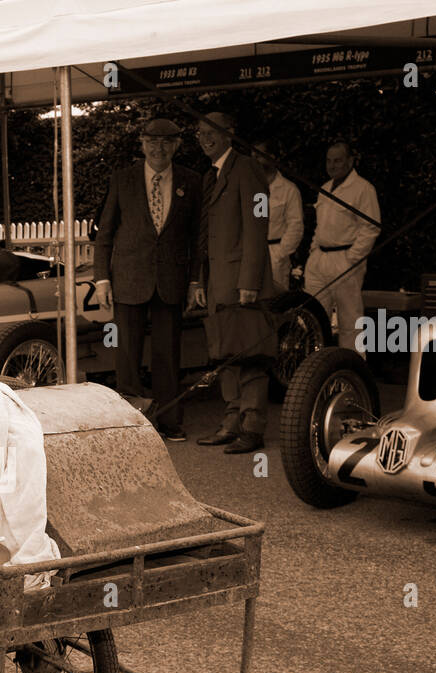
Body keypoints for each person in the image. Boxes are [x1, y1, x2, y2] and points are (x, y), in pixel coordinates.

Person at [92, 117, 202, 442]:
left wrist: (196, 281)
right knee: (126, 354)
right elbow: (105, 233)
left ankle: (168, 422)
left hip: (171, 281)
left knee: (167, 355)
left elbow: (196, 238)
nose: (159, 148)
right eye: (152, 141)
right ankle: (131, 425)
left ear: (177, 145)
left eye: (167, 142)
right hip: (127, 278)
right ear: (141, 144)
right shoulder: (122, 180)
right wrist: (102, 280)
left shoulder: (191, 181)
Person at [192, 112, 279, 455]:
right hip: (217, 283)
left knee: (250, 355)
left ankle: (252, 426)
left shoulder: (247, 169)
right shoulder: (209, 177)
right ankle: (230, 422)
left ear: (230, 132)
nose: (204, 137)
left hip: (243, 283)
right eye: (199, 132)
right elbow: (205, 236)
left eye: (211, 131)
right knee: (224, 356)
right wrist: (200, 281)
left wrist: (250, 282)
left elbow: (258, 227)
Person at [304, 140, 381, 353]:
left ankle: (353, 370)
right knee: (314, 319)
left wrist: (352, 258)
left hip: (345, 257)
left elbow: (371, 227)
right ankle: (314, 369)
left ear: (350, 161)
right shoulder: (325, 188)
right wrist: (313, 251)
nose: (332, 165)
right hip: (320, 258)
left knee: (350, 321)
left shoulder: (363, 188)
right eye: (329, 161)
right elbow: (320, 226)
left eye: (338, 160)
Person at [251, 140, 304, 292]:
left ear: (271, 157)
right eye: (252, 156)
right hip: (249, 254)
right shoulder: (247, 187)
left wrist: (279, 254)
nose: (255, 161)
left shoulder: (289, 190)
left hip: (275, 256)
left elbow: (296, 226)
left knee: (275, 303)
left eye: (259, 156)